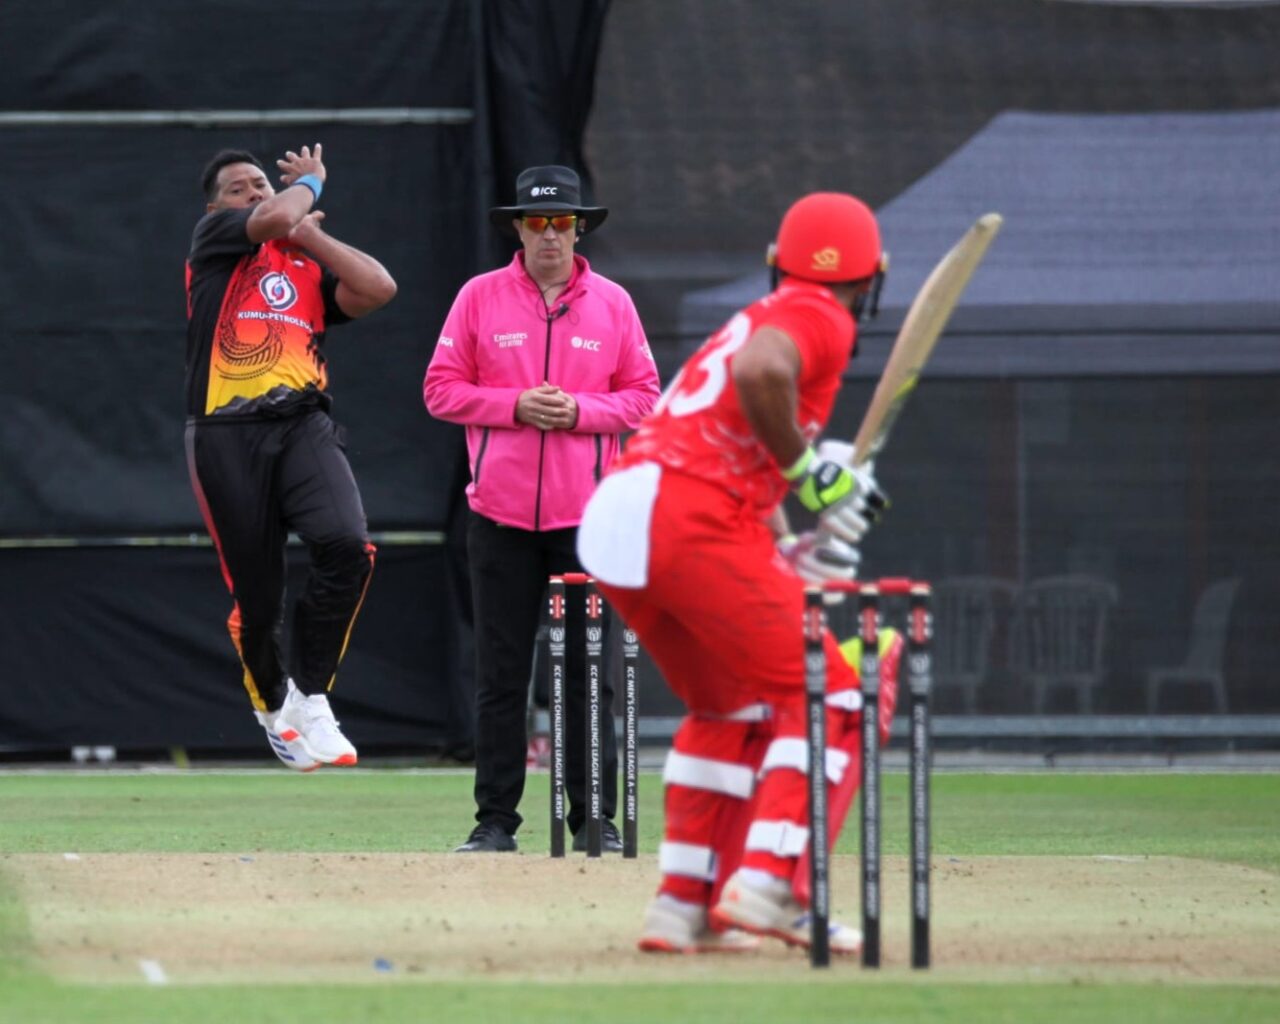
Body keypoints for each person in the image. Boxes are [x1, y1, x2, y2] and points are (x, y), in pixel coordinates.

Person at [577, 192, 903, 953]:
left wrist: (781, 546)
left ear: (775, 263)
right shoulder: (819, 313)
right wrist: (808, 474)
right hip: (689, 516)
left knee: (732, 707)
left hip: (624, 513)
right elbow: (762, 375)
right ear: (873, 276)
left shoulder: (758, 315)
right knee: (836, 690)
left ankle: (683, 905)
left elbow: (721, 439)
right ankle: (771, 886)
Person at [424, 165, 660, 853]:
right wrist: (516, 406)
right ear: (519, 229)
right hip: (498, 518)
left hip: (584, 524)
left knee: (588, 676)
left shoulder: (613, 303)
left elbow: (644, 397)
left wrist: (579, 412)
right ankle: (495, 821)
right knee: (500, 675)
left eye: (562, 222)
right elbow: (440, 389)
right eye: (537, 222)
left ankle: (595, 821)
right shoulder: (479, 297)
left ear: (578, 228)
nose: (550, 234)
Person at [184, 145, 397, 771]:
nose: (254, 192)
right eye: (239, 188)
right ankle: (272, 702)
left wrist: (311, 237)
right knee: (258, 599)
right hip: (226, 430)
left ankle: (311, 697)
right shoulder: (214, 242)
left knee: (347, 545)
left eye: (261, 183)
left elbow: (378, 288)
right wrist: (309, 185)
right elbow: (273, 217)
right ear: (217, 209)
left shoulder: (300, 262)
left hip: (304, 423)